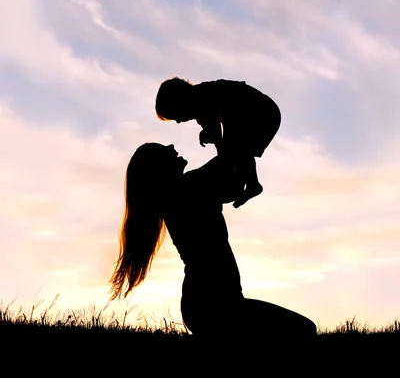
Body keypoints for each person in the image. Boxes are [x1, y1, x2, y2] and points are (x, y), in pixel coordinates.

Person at [109, 142, 316, 344]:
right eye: (163, 150)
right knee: (304, 331)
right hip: (215, 307)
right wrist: (219, 134)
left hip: (211, 305)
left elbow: (231, 180)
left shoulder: (183, 190)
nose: (172, 146)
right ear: (157, 169)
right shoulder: (187, 188)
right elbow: (231, 162)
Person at [155, 77, 281, 208]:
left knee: (235, 149)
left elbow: (216, 127)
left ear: (180, 100)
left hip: (262, 113)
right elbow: (213, 123)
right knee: (240, 150)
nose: (178, 121)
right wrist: (210, 134)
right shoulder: (202, 101)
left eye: (176, 115)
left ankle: (247, 184)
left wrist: (222, 155)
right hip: (264, 113)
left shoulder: (201, 98)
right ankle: (250, 183)